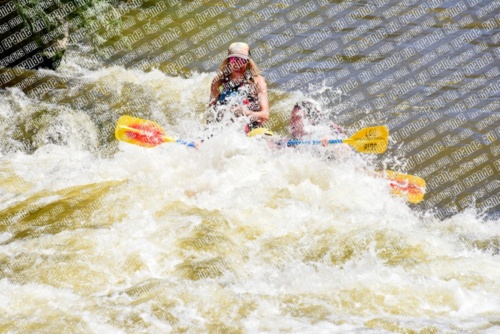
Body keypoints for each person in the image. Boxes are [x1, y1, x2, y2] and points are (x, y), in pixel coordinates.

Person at [207, 42, 269, 133]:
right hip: (224, 131)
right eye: (234, 59)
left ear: (247, 62)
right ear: (228, 61)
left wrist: (245, 112)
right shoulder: (219, 82)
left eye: (242, 60)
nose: (238, 64)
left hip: (250, 132)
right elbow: (210, 114)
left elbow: (265, 115)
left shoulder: (257, 82)